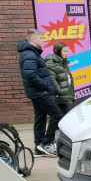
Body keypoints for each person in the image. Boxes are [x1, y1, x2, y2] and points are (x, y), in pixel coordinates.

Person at [17, 28, 60, 158]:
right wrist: (45, 85)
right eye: (41, 38)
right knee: (58, 116)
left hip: (37, 92)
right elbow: (30, 75)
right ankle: (46, 143)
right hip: (40, 92)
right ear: (33, 39)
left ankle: (38, 147)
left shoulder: (31, 53)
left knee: (40, 119)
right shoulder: (30, 54)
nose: (44, 40)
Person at [44, 41, 75, 113]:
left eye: (67, 51)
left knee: (63, 117)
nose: (67, 53)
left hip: (62, 98)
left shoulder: (63, 62)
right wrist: (60, 92)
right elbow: (52, 80)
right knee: (60, 117)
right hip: (57, 98)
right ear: (57, 51)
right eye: (64, 51)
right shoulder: (51, 62)